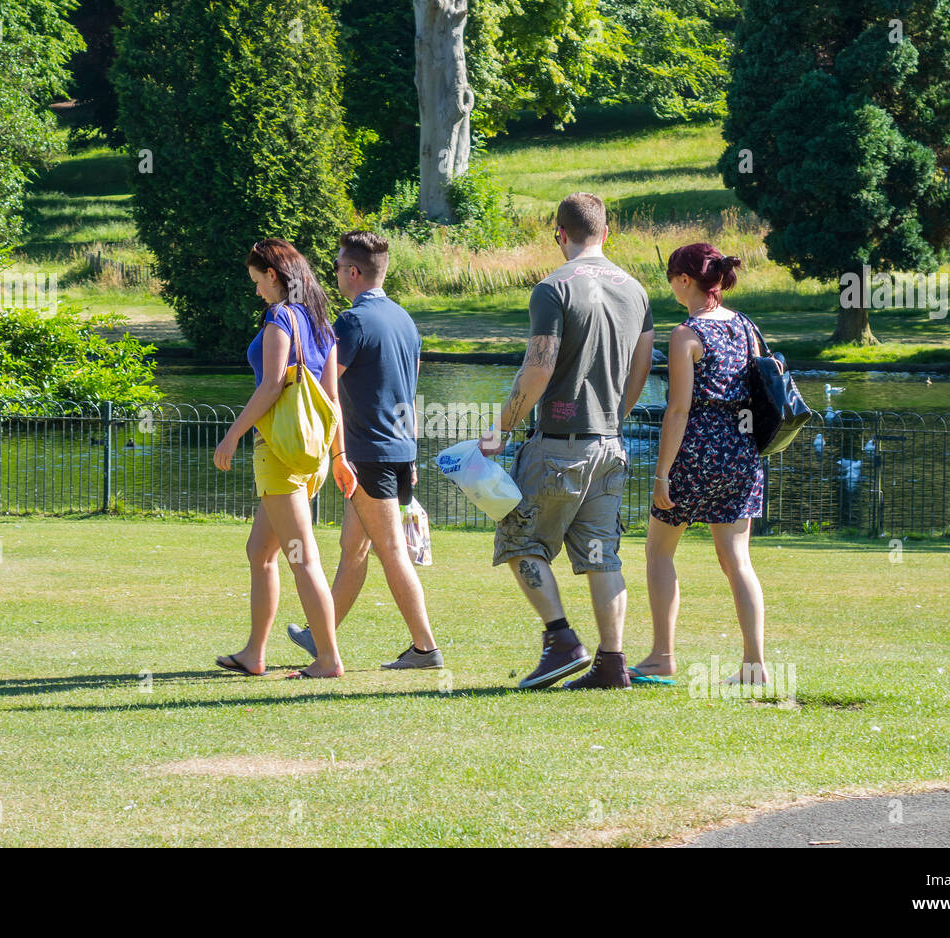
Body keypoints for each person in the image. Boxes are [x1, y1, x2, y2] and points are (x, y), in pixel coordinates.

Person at [481, 193, 655, 690]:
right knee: (602, 555)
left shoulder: (552, 288)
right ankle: (612, 662)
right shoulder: (636, 291)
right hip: (610, 445)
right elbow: (642, 368)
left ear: (559, 233)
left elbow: (538, 370)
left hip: (558, 443)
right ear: (607, 232)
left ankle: (561, 640)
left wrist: (501, 430)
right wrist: (615, 416)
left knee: (519, 539)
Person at [287, 231, 443, 669]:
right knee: (353, 547)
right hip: (395, 451)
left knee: (391, 550)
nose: (335, 273)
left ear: (353, 273)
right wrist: (410, 457)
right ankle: (322, 638)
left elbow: (321, 388)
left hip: (368, 454)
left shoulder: (352, 323)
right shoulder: (405, 321)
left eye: (337, 267)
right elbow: (409, 393)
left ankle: (425, 648)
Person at [211, 238, 357, 679]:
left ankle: (329, 660)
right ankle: (255, 652)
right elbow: (332, 399)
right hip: (310, 455)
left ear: (273, 275)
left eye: (257, 281)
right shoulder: (321, 324)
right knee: (261, 551)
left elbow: (272, 385)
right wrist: (339, 456)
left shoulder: (280, 316)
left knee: (302, 557)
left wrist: (232, 435)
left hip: (279, 452)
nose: (256, 290)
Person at [642, 242, 769, 686]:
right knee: (738, 561)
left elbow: (678, 410)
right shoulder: (747, 327)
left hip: (698, 452)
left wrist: (661, 473)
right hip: (743, 452)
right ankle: (755, 666)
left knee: (659, 550)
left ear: (684, 280)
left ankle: (662, 655)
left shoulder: (685, 335)